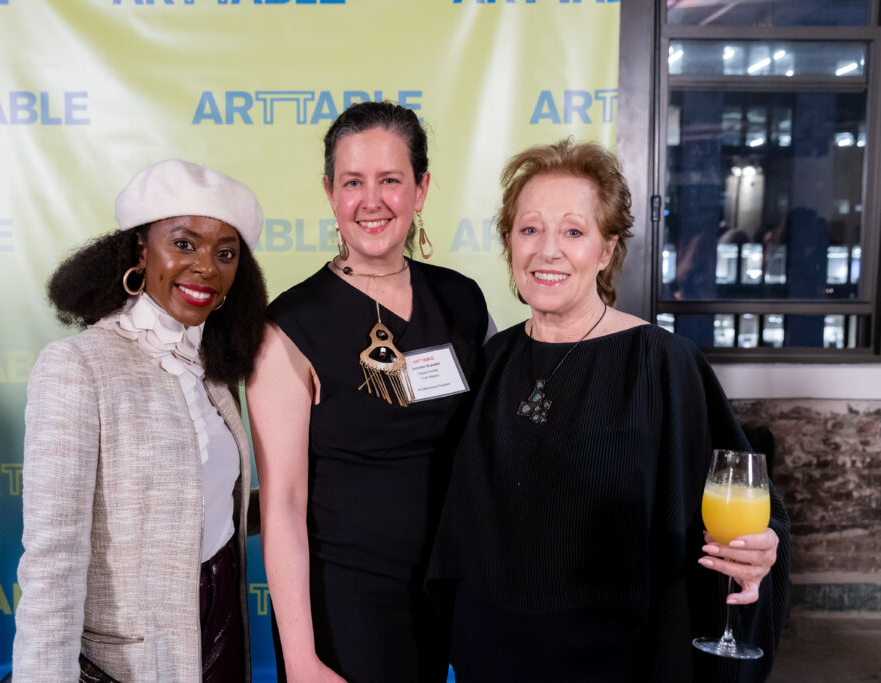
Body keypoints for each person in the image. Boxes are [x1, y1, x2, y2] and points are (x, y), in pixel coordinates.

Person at [426, 139, 790, 683]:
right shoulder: (490, 361)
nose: (548, 250)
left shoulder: (663, 363)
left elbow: (750, 502)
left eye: (573, 231)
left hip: (615, 659)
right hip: (491, 653)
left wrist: (763, 549)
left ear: (606, 249)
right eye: (529, 229)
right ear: (509, 243)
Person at [246, 101, 492, 683]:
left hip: (452, 591)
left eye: (391, 180)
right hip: (346, 608)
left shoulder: (463, 300)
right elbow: (280, 504)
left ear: (421, 188)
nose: (372, 201)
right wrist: (302, 657)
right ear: (330, 192)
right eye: (353, 182)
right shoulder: (287, 326)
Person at [12, 159, 268, 683]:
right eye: (184, 243)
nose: (206, 268)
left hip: (222, 630)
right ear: (138, 250)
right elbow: (52, 557)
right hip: (133, 658)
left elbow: (208, 505)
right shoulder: (78, 366)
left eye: (225, 253)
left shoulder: (215, 371)